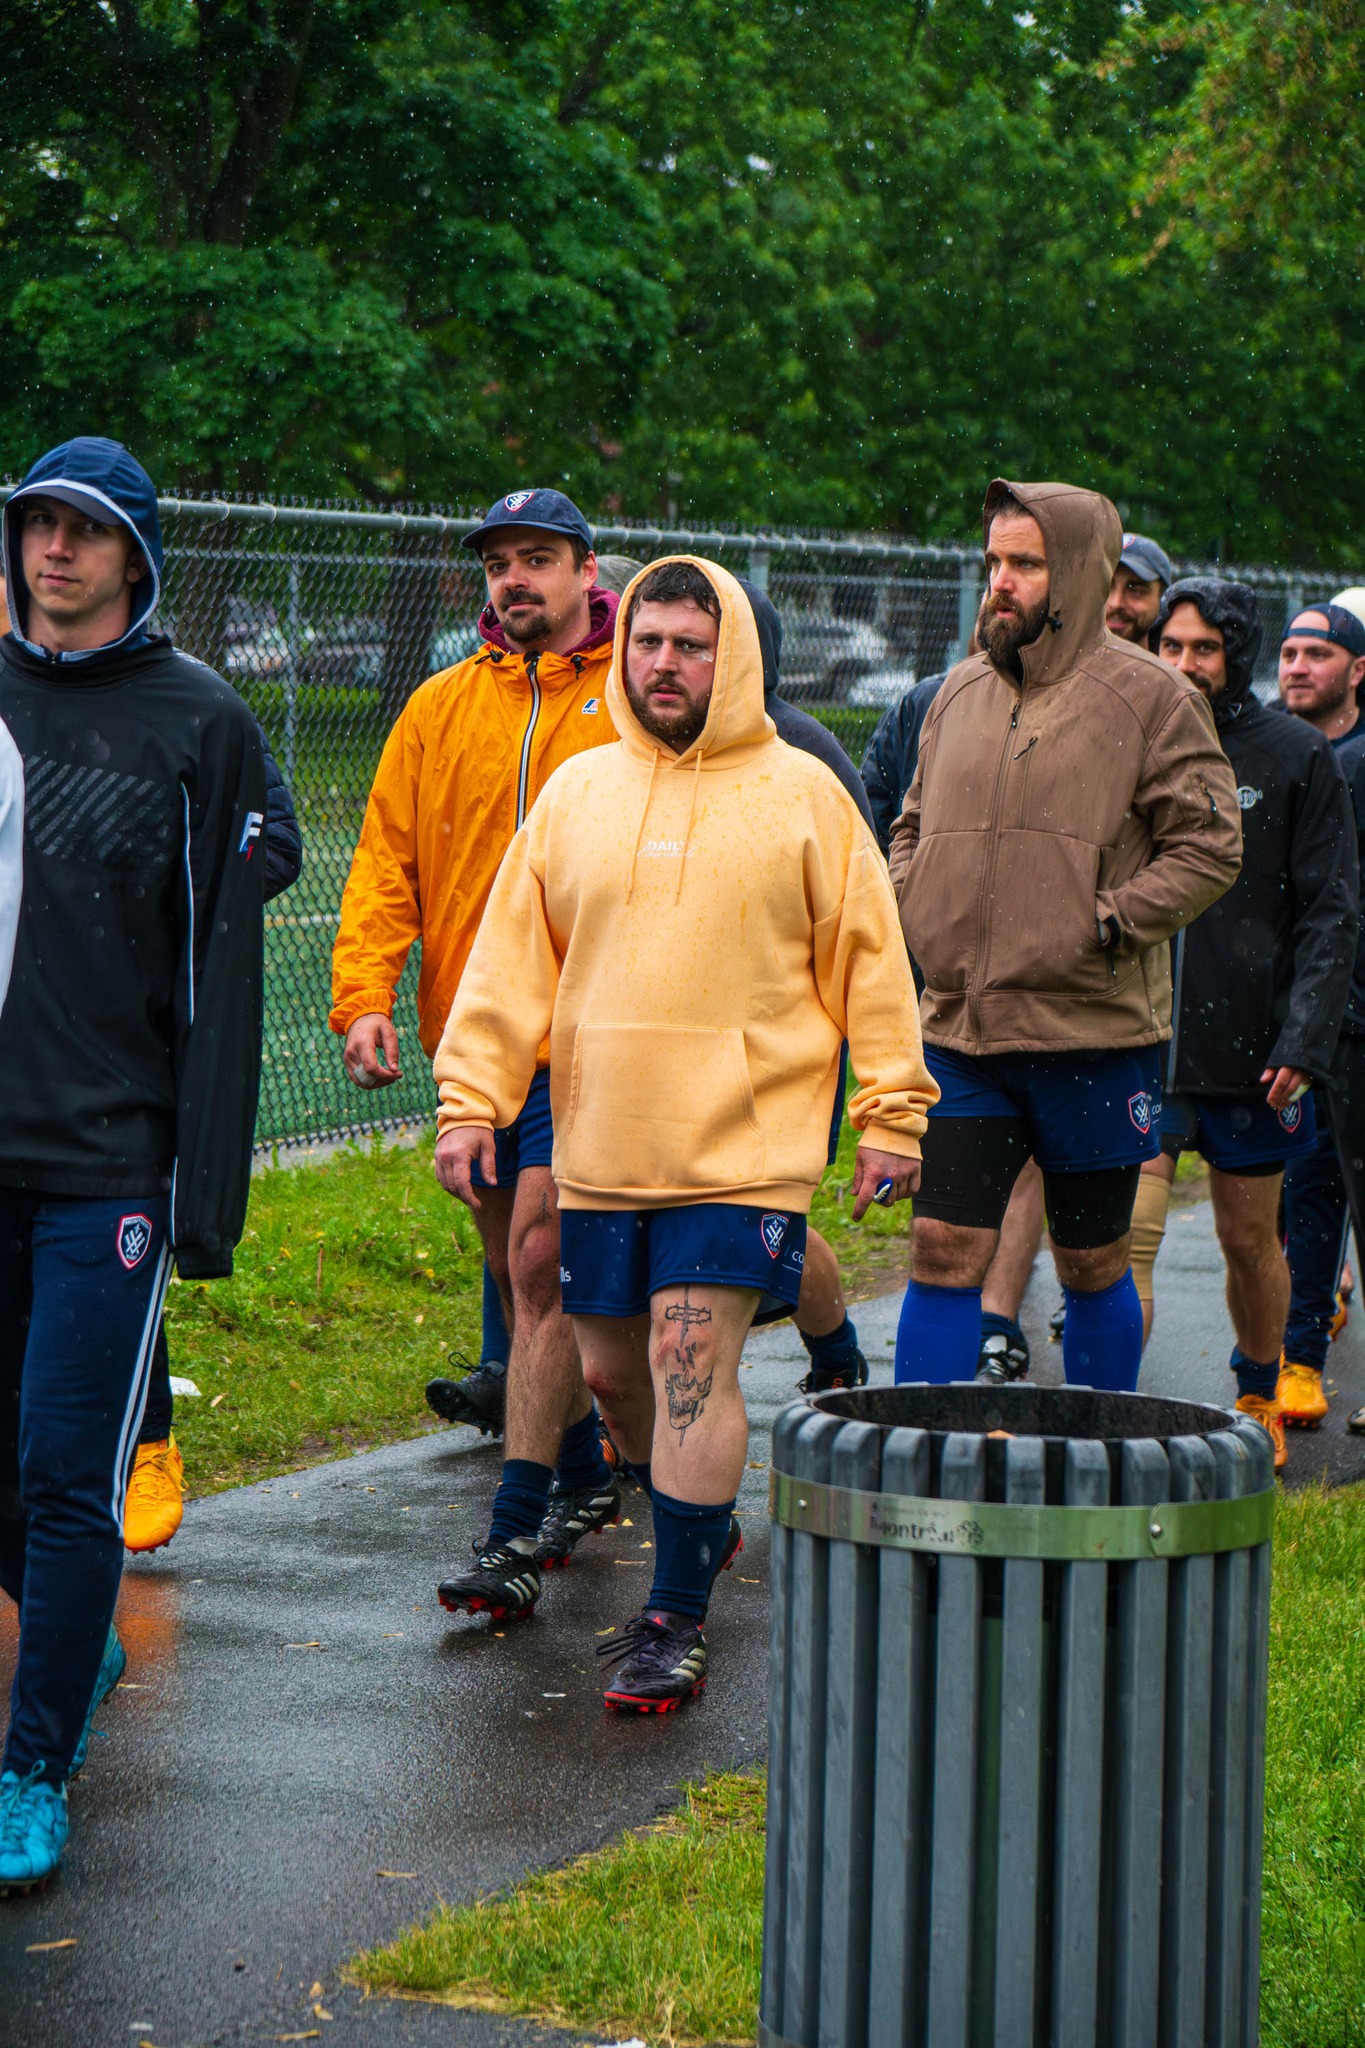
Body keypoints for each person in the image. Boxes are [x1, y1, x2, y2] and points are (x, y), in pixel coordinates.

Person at [432, 558, 934, 1706]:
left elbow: (873, 962)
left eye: (692, 645)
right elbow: (510, 969)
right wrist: (473, 1098)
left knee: (689, 1353)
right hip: (606, 1141)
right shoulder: (577, 793)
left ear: (736, 656)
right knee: (614, 1375)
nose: (665, 663)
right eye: (649, 641)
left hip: (744, 1142)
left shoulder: (802, 792)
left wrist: (892, 1113)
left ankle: (673, 1617)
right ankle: (699, 1528)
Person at [0, 437, 265, 1892]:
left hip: (110, 1160)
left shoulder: (199, 718)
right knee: (8, 1472)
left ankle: (33, 1765)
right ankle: (73, 1636)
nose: (55, 552)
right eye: (37, 527)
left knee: (64, 1466)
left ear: (136, 555)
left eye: (83, 534)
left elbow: (260, 851)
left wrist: (194, 1158)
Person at [888, 479, 1241, 1394]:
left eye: (1025, 565)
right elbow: (912, 821)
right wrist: (911, 898)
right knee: (939, 1244)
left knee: (1091, 1260)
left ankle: (1101, 1446)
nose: (999, 583)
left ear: (1076, 573)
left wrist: (1106, 920)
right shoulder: (956, 691)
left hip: (1092, 1032)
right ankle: (921, 1451)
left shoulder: (1153, 698)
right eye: (994, 563)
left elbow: (1210, 843)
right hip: (960, 1033)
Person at [331, 489, 623, 1570]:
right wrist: (365, 994)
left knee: (541, 1256)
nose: (515, 579)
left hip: (593, 1037)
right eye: (499, 562)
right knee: (515, 1266)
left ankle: (513, 1521)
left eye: (537, 558)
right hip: (477, 1041)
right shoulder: (439, 707)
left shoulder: (629, 693)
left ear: (586, 568)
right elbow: (385, 863)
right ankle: (588, 1472)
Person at [1132, 581, 1356, 1466]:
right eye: (1170, 646)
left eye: (1202, 650)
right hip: (1142, 1049)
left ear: (1235, 656)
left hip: (1252, 1058)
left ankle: (1258, 1389)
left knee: (1246, 1239)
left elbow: (1330, 913)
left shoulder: (1297, 756)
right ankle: (1107, 1406)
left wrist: (1303, 1039)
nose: (1183, 666)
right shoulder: (1127, 742)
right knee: (1123, 1239)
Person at [123, 726, 303, 1551]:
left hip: (118, 1033)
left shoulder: (195, 707)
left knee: (109, 1236)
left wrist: (143, 912)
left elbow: (275, 849)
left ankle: (144, 1445)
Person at [1275, 600, 1365, 1425]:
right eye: (1288, 651)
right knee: (1301, 1192)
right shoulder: (1281, 753)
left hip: (1356, 1014)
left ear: (1356, 672)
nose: (1297, 666)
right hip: (1296, 1016)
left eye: (1317, 653)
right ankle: (1297, 1355)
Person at [1105, 532, 1175, 646]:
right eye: (1105, 588)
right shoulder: (1068, 660)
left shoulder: (1178, 662)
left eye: (1136, 591)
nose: (1116, 603)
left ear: (1163, 599)